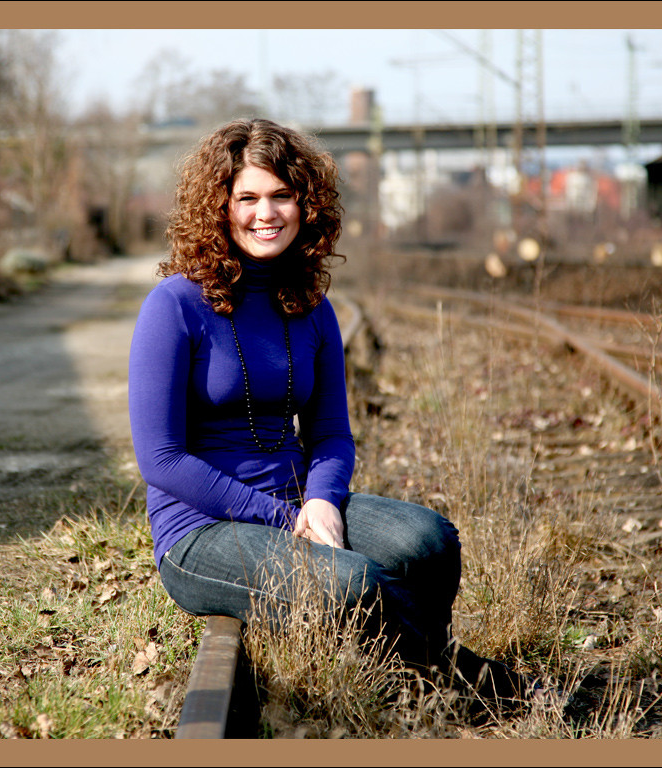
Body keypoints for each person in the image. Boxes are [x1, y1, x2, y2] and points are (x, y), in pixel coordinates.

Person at [128, 118, 534, 709]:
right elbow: (160, 460)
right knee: (352, 585)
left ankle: (416, 679)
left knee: (430, 540)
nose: (265, 213)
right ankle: (468, 684)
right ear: (220, 207)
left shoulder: (312, 307)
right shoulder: (174, 305)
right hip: (201, 529)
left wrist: (319, 500)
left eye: (281, 196)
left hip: (296, 503)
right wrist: (275, 516)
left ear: (304, 203)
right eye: (247, 198)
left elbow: (331, 434)